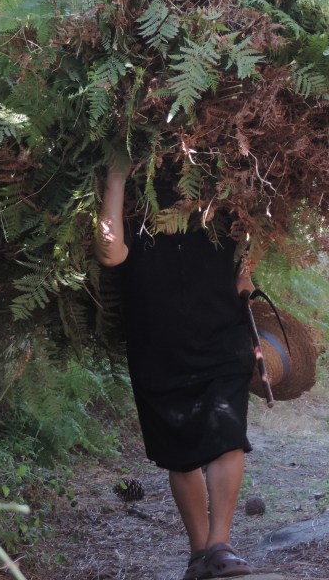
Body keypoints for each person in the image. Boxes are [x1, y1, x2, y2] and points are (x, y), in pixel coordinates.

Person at [95, 159, 256, 580]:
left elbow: (256, 223)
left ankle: (219, 544)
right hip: (159, 347)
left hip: (221, 334)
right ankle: (199, 553)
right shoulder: (134, 208)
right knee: (180, 451)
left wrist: (246, 272)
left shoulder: (218, 198)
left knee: (227, 437)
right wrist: (116, 176)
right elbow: (110, 252)